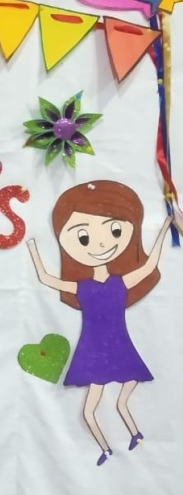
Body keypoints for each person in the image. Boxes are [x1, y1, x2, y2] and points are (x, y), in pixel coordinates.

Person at [27, 180, 171, 466]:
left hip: (115, 346)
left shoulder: (119, 282)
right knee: (90, 410)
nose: (102, 245)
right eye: (83, 238)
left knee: (119, 401)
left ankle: (134, 435)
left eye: (114, 231)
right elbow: (46, 279)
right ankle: (107, 448)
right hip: (94, 350)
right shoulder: (83, 286)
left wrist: (164, 228)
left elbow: (149, 266)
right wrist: (33, 248)